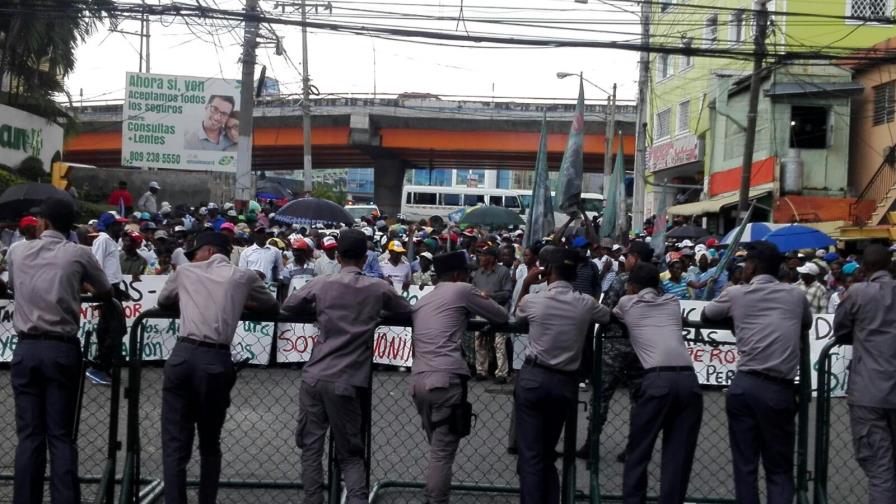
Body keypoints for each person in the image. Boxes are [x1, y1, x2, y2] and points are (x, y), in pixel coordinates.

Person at [283, 229, 413, 504]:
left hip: (315, 375)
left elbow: (290, 305)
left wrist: (317, 310)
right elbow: (405, 310)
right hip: (349, 379)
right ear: (365, 259)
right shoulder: (378, 288)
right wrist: (376, 313)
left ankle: (313, 500)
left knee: (311, 447)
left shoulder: (321, 283)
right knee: (351, 454)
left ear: (338, 257)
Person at [157, 231, 279, 504]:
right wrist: (239, 302)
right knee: (210, 442)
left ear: (209, 251)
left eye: (195, 253)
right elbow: (271, 306)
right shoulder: (243, 277)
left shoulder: (184, 272)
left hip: (182, 356)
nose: (193, 258)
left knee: (175, 443)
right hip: (215, 361)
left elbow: (163, 301)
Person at [7, 197, 112, 504]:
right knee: (60, 435)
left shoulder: (17, 252)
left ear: (46, 222)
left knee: (29, 435)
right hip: (61, 349)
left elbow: (13, 285)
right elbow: (105, 290)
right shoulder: (79, 254)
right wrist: (76, 286)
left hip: (26, 348)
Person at [702, 241, 811, 504]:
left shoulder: (736, 294)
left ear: (751, 268)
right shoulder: (796, 295)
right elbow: (806, 323)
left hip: (745, 386)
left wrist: (736, 320)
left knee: (745, 467)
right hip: (778, 390)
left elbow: (707, 314)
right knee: (779, 469)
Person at [514, 246, 611, 503]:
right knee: (547, 452)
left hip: (534, 378)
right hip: (563, 383)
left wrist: (526, 283)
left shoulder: (533, 300)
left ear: (547, 271)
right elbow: (607, 316)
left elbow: (516, 315)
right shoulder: (585, 303)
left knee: (531, 455)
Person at [410, 251, 508, 504]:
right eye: (466, 273)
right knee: (442, 453)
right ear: (457, 275)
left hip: (419, 379)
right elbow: (501, 316)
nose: (470, 277)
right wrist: (484, 302)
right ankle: (436, 500)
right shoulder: (462, 290)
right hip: (446, 378)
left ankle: (433, 496)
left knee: (437, 447)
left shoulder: (424, 300)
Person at [613, 262, 702, 504]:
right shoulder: (672, 302)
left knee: (639, 450)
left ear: (632, 286)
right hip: (688, 379)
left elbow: (615, 314)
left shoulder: (627, 303)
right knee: (678, 455)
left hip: (657, 379)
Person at [833, 244, 896, 503]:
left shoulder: (857, 293)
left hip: (868, 391)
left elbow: (840, 329)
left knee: (880, 469)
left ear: (864, 268)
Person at [471, 247, 512, 382]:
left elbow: (507, 293)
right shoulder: (478, 273)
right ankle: (481, 371)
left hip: (498, 310)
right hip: (482, 310)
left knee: (499, 342)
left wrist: (491, 296)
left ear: (492, 258)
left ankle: (501, 373)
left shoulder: (503, 271)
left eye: (484, 255)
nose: (480, 258)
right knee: (480, 341)